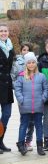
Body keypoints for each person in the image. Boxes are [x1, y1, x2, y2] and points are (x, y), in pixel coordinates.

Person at [14, 52, 48, 156]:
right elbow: (17, 89)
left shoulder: (41, 76)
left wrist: (43, 98)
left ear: (36, 63)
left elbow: (45, 88)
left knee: (39, 126)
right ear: (26, 64)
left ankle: (39, 146)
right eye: (29, 62)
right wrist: (21, 100)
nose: (31, 64)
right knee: (24, 125)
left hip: (38, 106)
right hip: (25, 106)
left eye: (33, 62)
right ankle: (21, 144)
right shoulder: (21, 77)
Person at [11, 42, 35, 151]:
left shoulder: (34, 62)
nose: (26, 52)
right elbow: (13, 77)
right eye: (24, 50)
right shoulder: (16, 63)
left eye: (28, 50)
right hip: (22, 95)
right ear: (21, 51)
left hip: (33, 96)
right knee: (24, 119)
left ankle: (28, 141)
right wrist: (18, 89)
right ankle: (21, 141)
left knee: (32, 120)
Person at [0, 23, 14, 153]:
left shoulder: (10, 47)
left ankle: (0, 140)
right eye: (1, 31)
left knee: (7, 114)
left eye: (5, 31)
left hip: (7, 86)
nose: (3, 33)